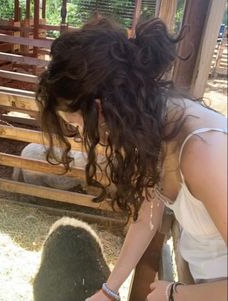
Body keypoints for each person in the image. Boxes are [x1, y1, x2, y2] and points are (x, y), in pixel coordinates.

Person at [36, 16, 227, 301]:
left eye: (75, 124)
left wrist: (175, 293)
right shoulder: (156, 129)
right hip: (201, 281)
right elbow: (148, 217)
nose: (79, 133)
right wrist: (109, 290)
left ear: (98, 110)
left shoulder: (203, 152)